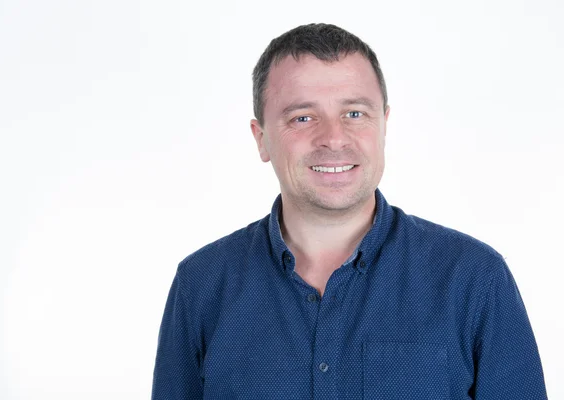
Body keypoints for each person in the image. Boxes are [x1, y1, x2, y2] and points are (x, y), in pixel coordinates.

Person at [151, 23, 547, 399]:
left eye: (354, 113)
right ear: (262, 139)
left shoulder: (474, 279)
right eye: (302, 117)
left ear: (384, 125)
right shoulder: (200, 285)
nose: (333, 137)